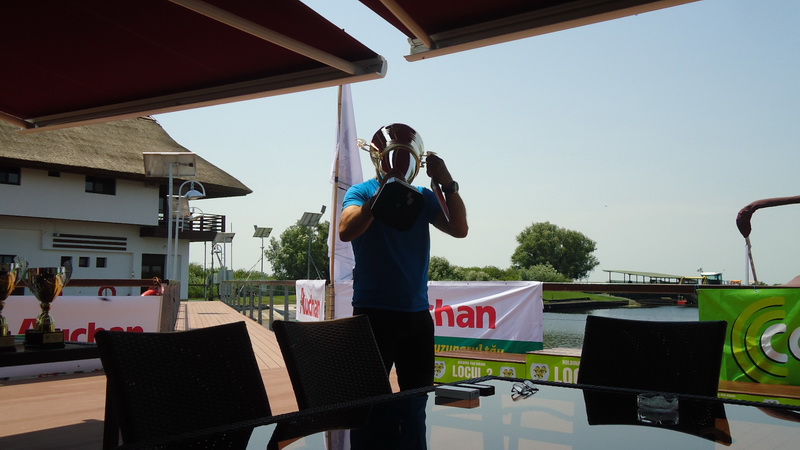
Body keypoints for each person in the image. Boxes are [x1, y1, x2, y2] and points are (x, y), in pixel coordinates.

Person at [339, 123, 468, 390]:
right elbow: (345, 231)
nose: (398, 166)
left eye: (404, 159)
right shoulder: (360, 193)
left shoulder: (423, 197)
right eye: (393, 158)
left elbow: (459, 229)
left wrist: (448, 184)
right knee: (368, 398)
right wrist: (381, 197)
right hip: (372, 312)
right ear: (379, 159)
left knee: (417, 396)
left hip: (417, 314)